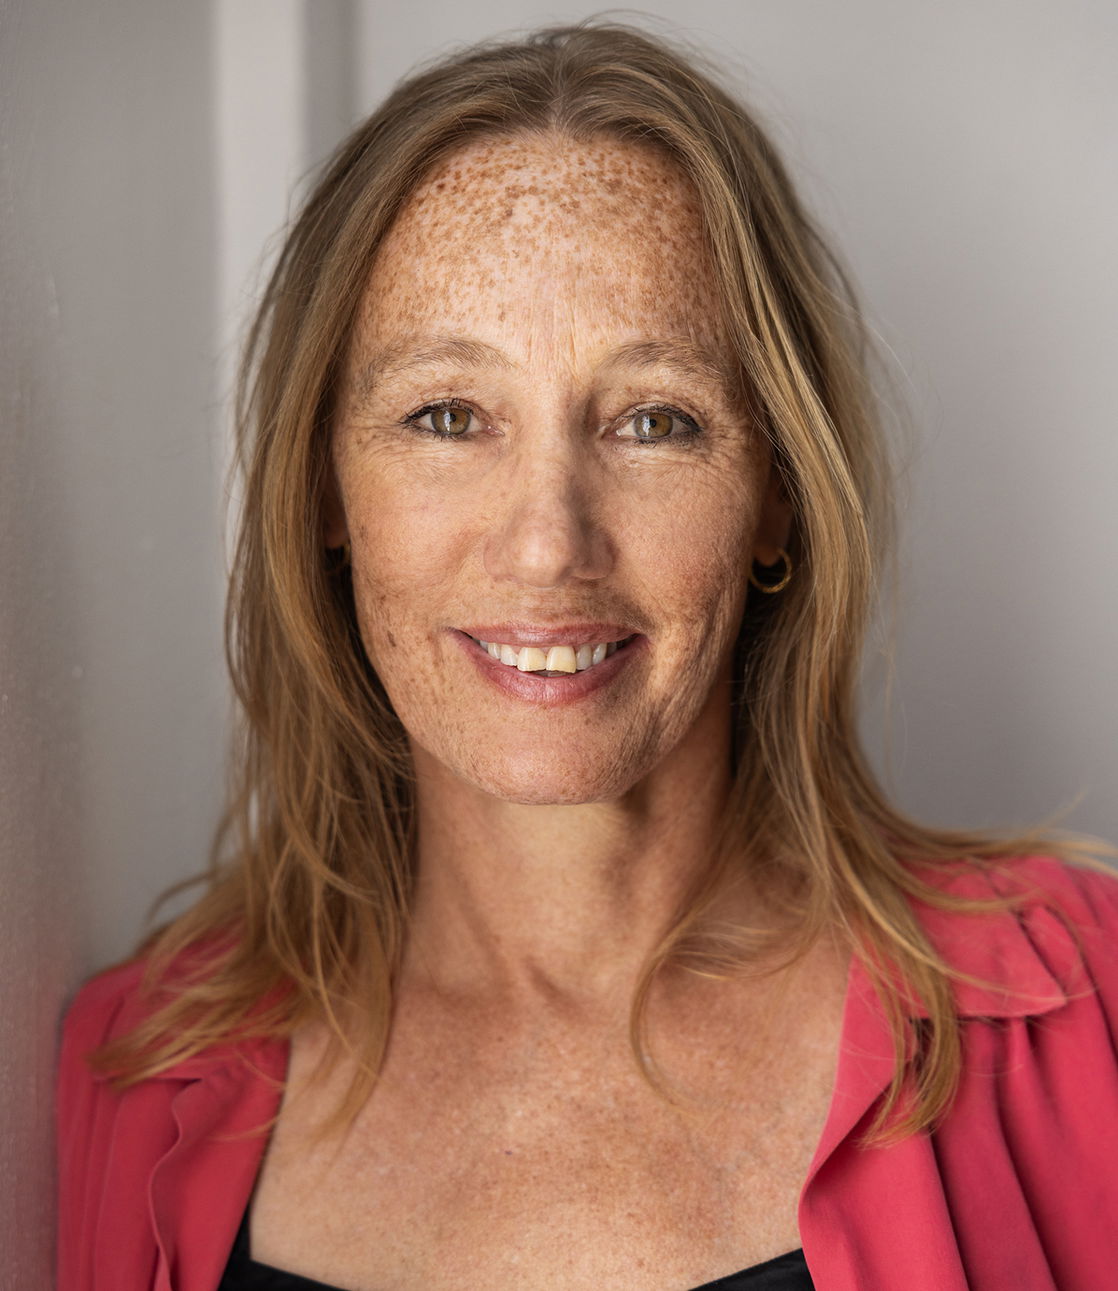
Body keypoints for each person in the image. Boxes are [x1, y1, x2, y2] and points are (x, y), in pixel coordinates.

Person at [56, 20, 1118, 1291]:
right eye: (447, 415)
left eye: (653, 421)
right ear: (324, 487)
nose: (547, 545)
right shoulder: (132, 1073)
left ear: (776, 494)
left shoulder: (1083, 1005)